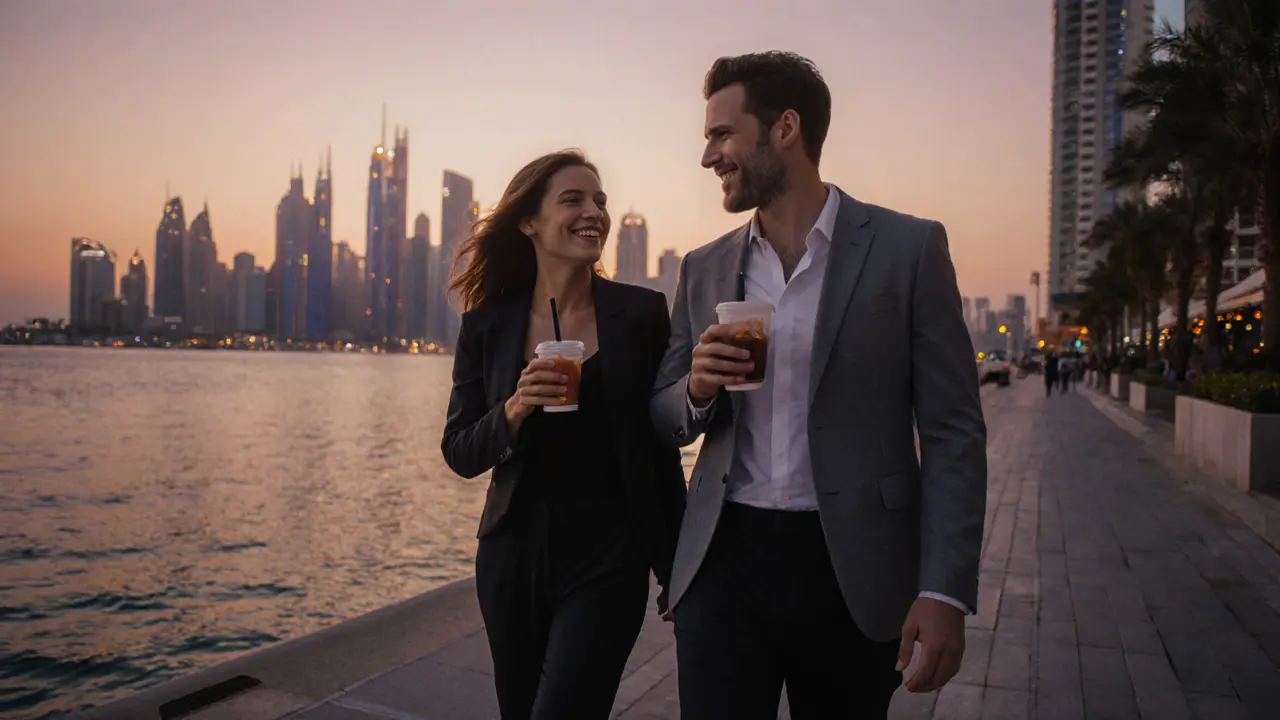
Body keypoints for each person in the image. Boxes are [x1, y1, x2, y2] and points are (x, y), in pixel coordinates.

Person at [651, 52, 987, 719]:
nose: (707, 156)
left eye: (721, 134)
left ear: (785, 129)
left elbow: (952, 430)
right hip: (724, 564)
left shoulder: (908, 250)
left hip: (855, 571)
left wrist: (944, 591)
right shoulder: (705, 267)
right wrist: (695, 387)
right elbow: (662, 416)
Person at [441, 150, 687, 719]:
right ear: (529, 221)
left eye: (599, 200)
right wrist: (517, 406)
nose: (593, 212)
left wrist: (676, 567)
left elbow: (660, 453)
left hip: (609, 561)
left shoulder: (642, 313)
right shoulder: (486, 325)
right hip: (512, 559)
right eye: (573, 199)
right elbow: (459, 450)